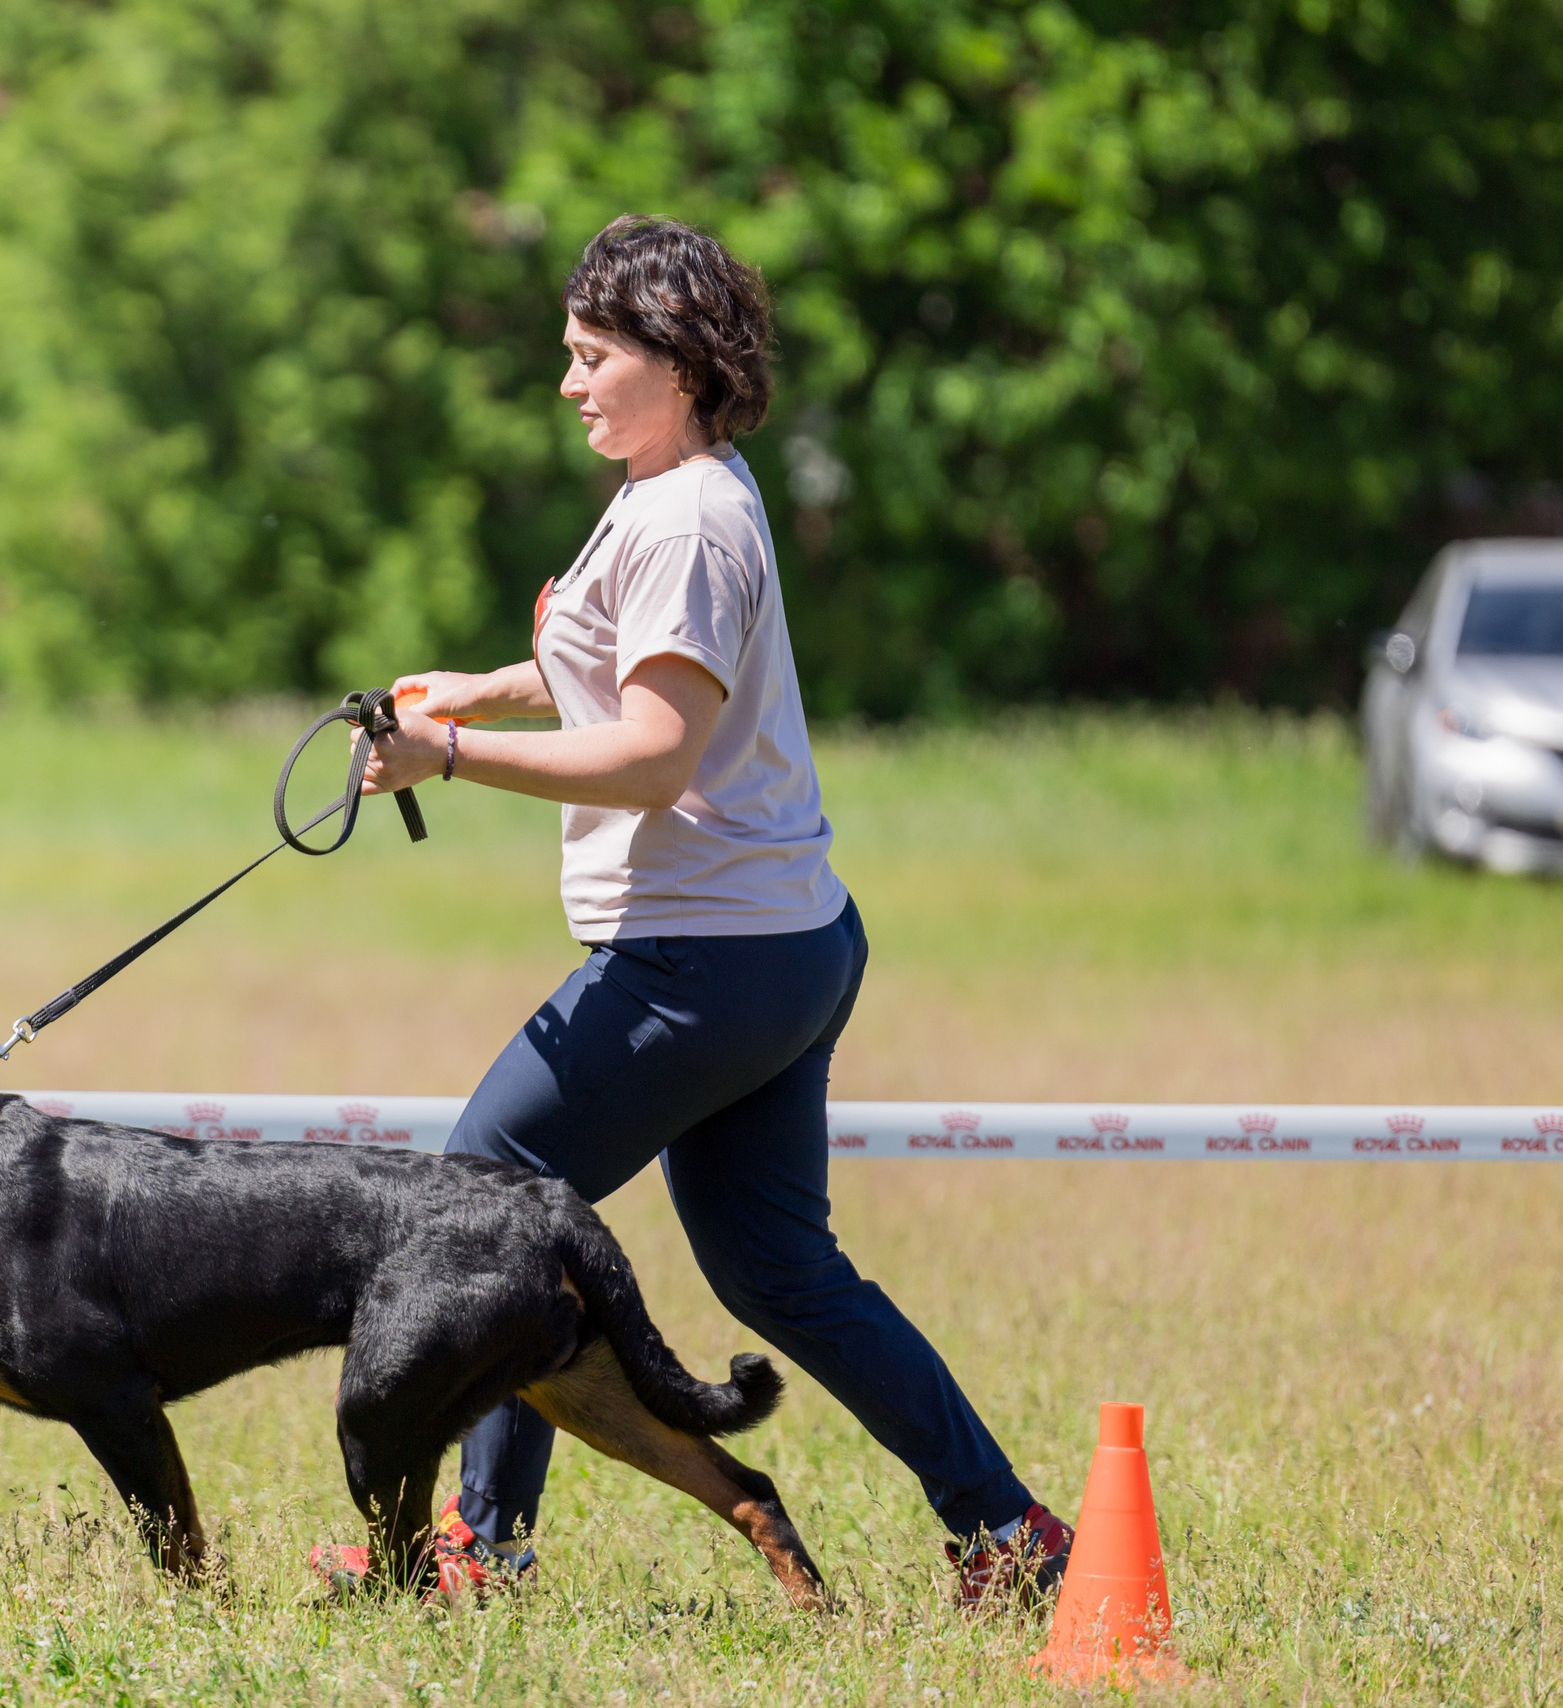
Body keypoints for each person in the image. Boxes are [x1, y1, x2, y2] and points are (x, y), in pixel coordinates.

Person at [312, 215, 1071, 1607]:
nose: (569, 383)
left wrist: (452, 759)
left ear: (677, 360)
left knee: (478, 1208)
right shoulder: (671, 490)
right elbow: (610, 666)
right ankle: (1010, 1537)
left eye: (592, 356)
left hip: (706, 962)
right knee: (779, 1273)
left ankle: (476, 1549)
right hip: (773, 948)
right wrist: (476, 691)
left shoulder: (692, 523)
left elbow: (658, 754)